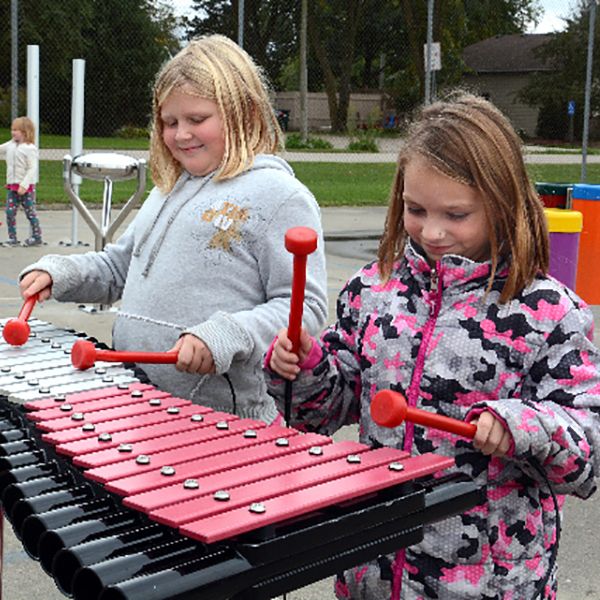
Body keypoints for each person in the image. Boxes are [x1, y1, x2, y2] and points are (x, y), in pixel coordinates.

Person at [265, 92, 600, 599]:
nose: (433, 231)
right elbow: (328, 410)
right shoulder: (369, 292)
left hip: (489, 584)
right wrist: (307, 367)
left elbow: (587, 457)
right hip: (371, 575)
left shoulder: (551, 314)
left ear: (503, 205)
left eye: (457, 214)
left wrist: (520, 424)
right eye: (416, 210)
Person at [19, 34, 328, 425]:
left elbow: (305, 307)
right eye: (170, 122)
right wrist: (63, 273)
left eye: (197, 120)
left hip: (224, 418)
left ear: (244, 112)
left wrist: (225, 334)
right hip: (143, 398)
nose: (181, 134)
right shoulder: (168, 190)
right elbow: (120, 268)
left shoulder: (279, 196)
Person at [0, 116, 43, 246]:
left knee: (30, 212)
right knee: (9, 212)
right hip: (12, 186)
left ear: (25, 132)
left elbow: (32, 168)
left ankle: (37, 237)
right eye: (12, 129)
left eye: (16, 130)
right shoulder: (11, 145)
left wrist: (24, 184)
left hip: (26, 187)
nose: (13, 132)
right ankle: (13, 238)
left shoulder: (29, 149)